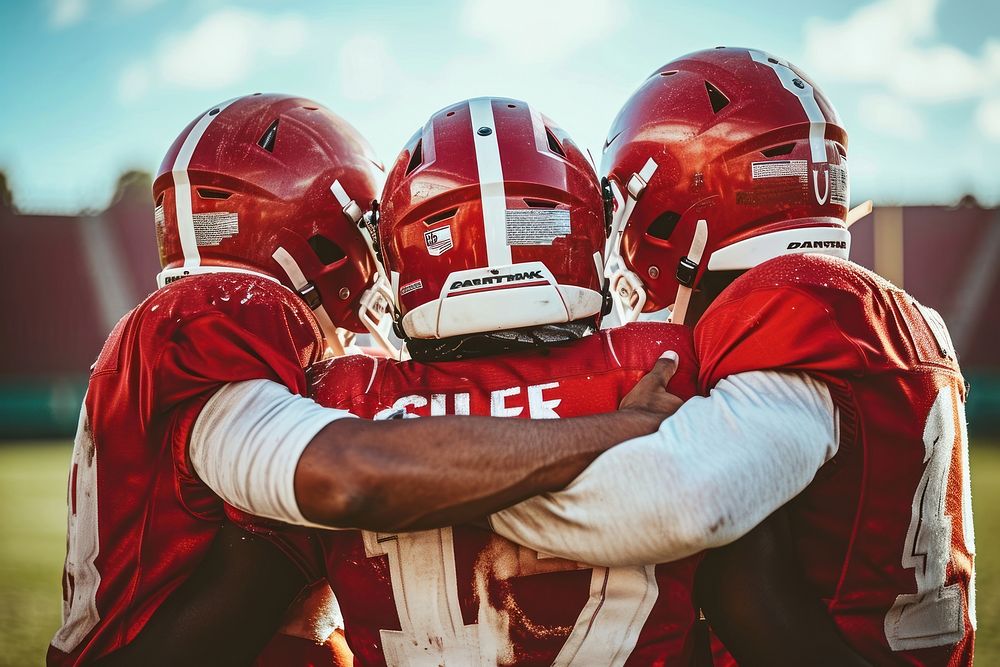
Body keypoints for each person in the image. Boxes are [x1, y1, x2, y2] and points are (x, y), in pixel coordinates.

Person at [51, 93, 680, 666]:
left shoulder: (318, 384)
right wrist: (614, 429)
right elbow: (349, 479)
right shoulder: (227, 311)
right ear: (328, 241)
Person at [490, 47, 975, 665]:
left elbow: (687, 508)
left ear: (675, 211)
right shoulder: (908, 315)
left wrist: (450, 485)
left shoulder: (783, 309)